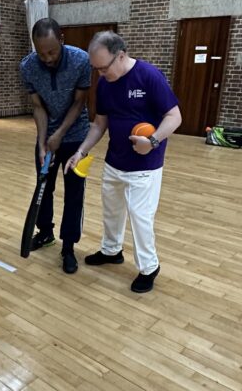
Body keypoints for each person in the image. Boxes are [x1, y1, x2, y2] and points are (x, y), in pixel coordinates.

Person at [65, 31, 182, 292]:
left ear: (121, 56)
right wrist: (81, 151)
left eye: (103, 67)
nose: (99, 74)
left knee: (140, 218)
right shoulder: (105, 83)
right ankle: (111, 251)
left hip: (145, 165)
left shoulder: (148, 76)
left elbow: (174, 116)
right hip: (114, 161)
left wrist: (152, 141)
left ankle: (149, 267)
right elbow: (100, 123)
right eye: (95, 69)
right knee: (112, 212)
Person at [19, 18, 91, 274]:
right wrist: (42, 144)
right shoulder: (28, 66)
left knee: (74, 193)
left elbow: (79, 102)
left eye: (52, 51)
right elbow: (38, 107)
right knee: (43, 187)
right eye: (41, 53)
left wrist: (60, 134)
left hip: (76, 136)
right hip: (47, 137)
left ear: (61, 40)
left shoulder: (81, 60)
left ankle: (69, 246)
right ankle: (45, 232)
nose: (47, 58)